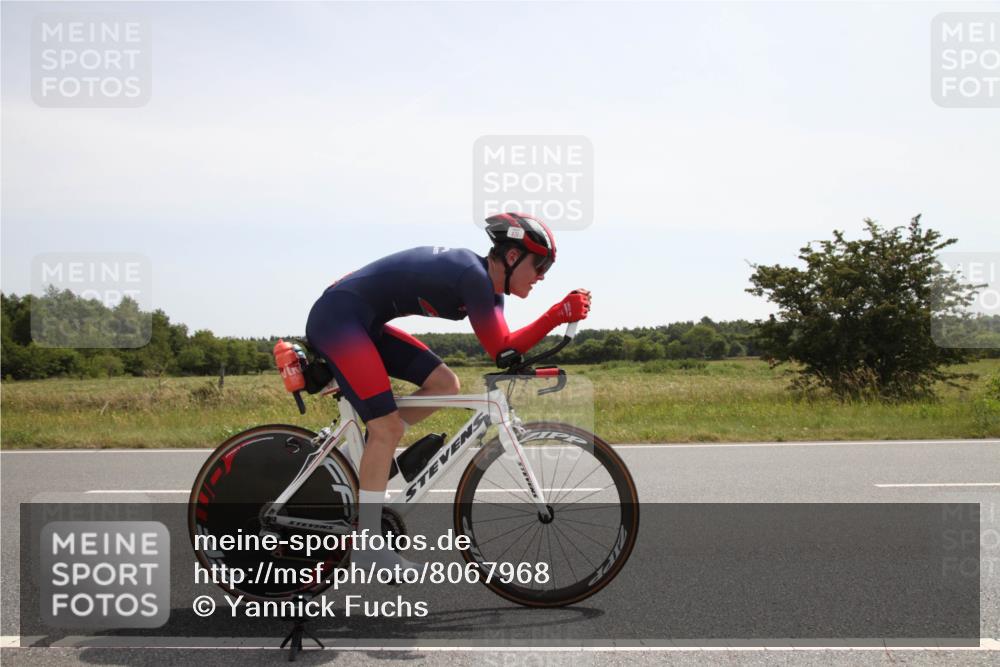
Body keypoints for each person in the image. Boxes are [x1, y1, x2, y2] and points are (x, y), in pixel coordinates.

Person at [305, 212, 591, 574]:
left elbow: (503, 352)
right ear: (514, 257)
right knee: (387, 429)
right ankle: (368, 546)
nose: (542, 276)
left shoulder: (489, 292)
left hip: (364, 322)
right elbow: (502, 348)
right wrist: (555, 315)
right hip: (338, 318)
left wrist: (551, 328)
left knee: (444, 385)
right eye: (540, 265)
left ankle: (355, 456)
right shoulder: (472, 275)